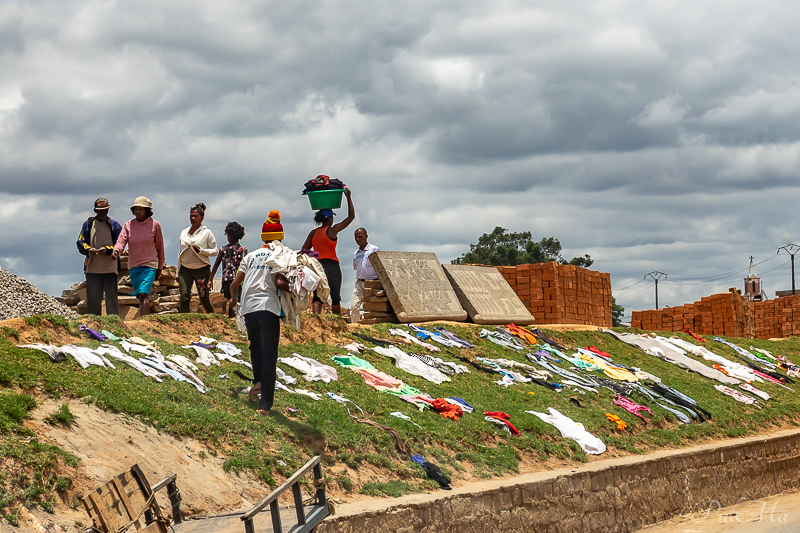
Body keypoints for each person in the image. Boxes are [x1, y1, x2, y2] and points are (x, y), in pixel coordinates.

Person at [229, 211, 290, 416]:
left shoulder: (250, 256)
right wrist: (299, 289)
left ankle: (257, 383)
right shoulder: (279, 255)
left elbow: (235, 283)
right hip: (267, 307)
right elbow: (280, 282)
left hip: (249, 309)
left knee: (255, 347)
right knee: (269, 355)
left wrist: (233, 300)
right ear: (279, 237)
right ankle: (265, 406)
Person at [301, 188, 355, 315]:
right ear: (330, 218)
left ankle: (316, 320)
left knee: (317, 296)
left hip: (317, 266)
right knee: (335, 296)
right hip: (332, 266)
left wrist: (316, 253)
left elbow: (304, 250)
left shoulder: (313, 233)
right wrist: (348, 197)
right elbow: (351, 217)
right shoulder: (332, 230)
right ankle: (337, 321)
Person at [112, 196, 165, 317]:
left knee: (143, 293)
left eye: (141, 209)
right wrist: (116, 251)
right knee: (139, 295)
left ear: (147, 210)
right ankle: (145, 320)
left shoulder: (155, 225)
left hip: (150, 264)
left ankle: (142, 320)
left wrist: (160, 267)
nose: (137, 212)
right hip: (134, 265)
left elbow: (160, 247)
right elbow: (121, 241)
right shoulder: (129, 225)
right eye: (135, 209)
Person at [76, 198, 123, 316]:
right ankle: (94, 322)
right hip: (92, 267)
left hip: (110, 268)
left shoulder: (114, 225)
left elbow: (121, 244)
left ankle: (113, 322)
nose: (103, 213)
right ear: (95, 211)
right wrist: (88, 250)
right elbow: (80, 242)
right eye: (100, 210)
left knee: (111, 297)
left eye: (105, 210)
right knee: (93, 298)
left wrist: (107, 250)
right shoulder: (88, 224)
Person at [177, 203, 218, 314]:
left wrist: (202, 251)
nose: (193, 218)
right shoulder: (184, 232)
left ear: (202, 218)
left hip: (201, 270)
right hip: (185, 269)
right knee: (184, 297)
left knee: (203, 298)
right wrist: (178, 272)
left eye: (196, 216)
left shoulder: (207, 233)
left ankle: (214, 319)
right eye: (191, 216)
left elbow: (215, 251)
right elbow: (180, 252)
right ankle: (185, 322)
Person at [210, 222, 247, 317]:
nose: (229, 237)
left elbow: (216, 265)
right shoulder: (242, 249)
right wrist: (210, 279)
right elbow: (244, 265)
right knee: (235, 300)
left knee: (232, 300)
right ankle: (235, 320)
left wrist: (210, 279)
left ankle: (233, 319)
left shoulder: (224, 249)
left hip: (228, 279)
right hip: (237, 279)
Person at [350, 228, 380, 324]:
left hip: (372, 282)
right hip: (359, 282)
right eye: (356, 237)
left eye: (360, 236)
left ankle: (374, 326)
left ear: (366, 236)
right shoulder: (356, 253)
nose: (358, 239)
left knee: (373, 306)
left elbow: (379, 267)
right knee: (354, 306)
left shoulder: (374, 250)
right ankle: (355, 327)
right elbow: (356, 267)